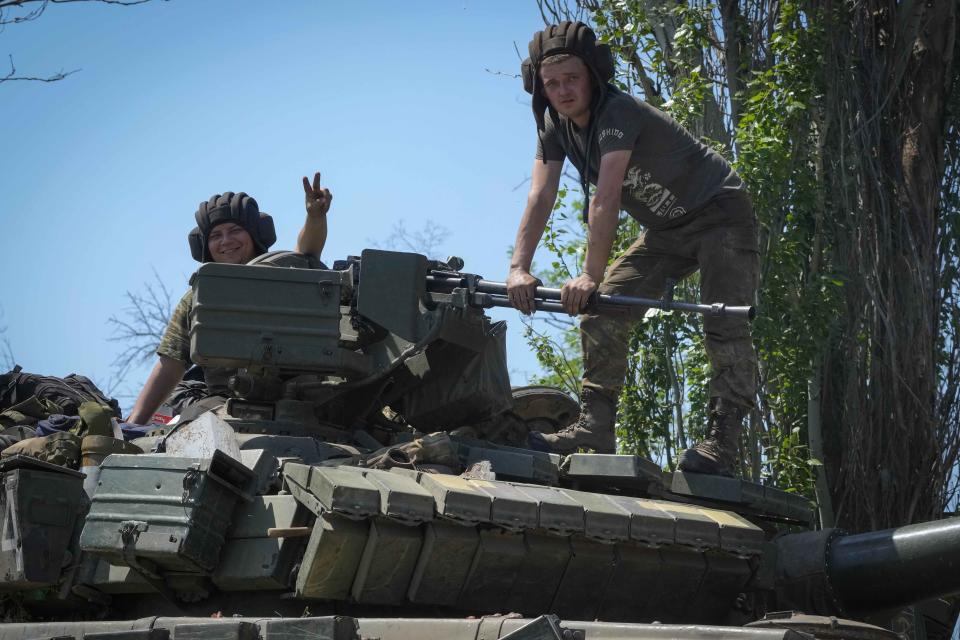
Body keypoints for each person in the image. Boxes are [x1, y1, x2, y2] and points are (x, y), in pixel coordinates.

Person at [506, 22, 759, 477]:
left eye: (572, 79)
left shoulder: (617, 112)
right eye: (552, 83)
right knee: (602, 309)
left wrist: (589, 275)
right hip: (668, 230)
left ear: (593, 77)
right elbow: (540, 195)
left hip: (720, 214)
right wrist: (518, 268)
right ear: (540, 87)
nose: (563, 91)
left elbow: (606, 198)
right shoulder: (553, 125)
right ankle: (596, 425)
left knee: (722, 320)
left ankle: (723, 442)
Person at [125, 172, 333, 426]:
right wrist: (134, 423)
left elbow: (307, 252)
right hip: (226, 405)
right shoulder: (199, 298)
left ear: (254, 236)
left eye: (235, 230)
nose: (226, 241)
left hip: (299, 401)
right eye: (215, 235)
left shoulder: (282, 277)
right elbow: (171, 364)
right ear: (204, 245)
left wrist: (315, 217)